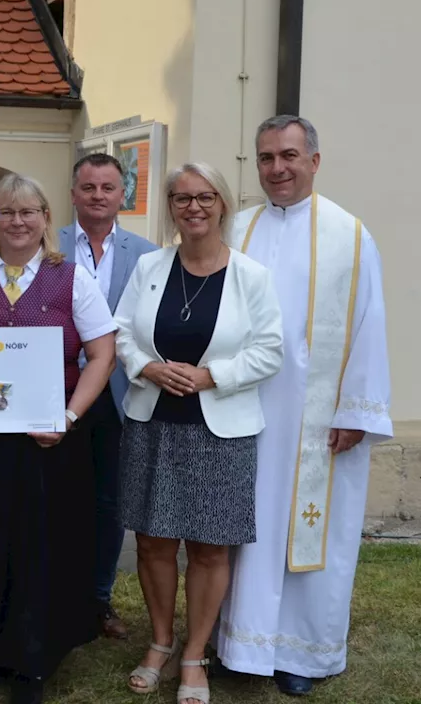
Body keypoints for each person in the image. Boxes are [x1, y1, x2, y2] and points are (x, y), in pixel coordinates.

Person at [216, 115, 392, 697]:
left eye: (289, 155)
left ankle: (303, 654)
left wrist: (355, 410)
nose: (277, 168)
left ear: (314, 160)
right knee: (243, 527)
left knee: (309, 529)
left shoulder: (349, 234)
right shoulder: (235, 229)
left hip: (316, 422)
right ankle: (239, 645)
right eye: (266, 157)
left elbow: (370, 325)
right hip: (244, 410)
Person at [0, 173, 117, 704]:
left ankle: (34, 659)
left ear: (44, 218)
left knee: (42, 543)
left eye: (28, 212)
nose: (17, 222)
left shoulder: (72, 279)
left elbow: (102, 354)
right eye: (6, 212)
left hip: (49, 437)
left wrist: (68, 415)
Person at [115, 163, 283, 704]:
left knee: (211, 548)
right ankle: (161, 643)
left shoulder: (251, 276)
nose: (193, 208)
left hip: (220, 429)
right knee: (154, 542)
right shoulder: (149, 266)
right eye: (182, 198)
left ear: (223, 204)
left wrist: (213, 375)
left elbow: (270, 350)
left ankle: (194, 655)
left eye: (205, 197)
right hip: (153, 422)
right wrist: (147, 367)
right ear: (170, 207)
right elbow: (119, 333)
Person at [58, 152, 158, 639]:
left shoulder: (149, 253)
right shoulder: (45, 244)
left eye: (108, 188)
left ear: (123, 195)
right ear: (73, 192)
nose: (98, 196)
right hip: (56, 391)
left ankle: (98, 600)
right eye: (88, 187)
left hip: (119, 396)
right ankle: (53, 593)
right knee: (54, 499)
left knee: (108, 503)